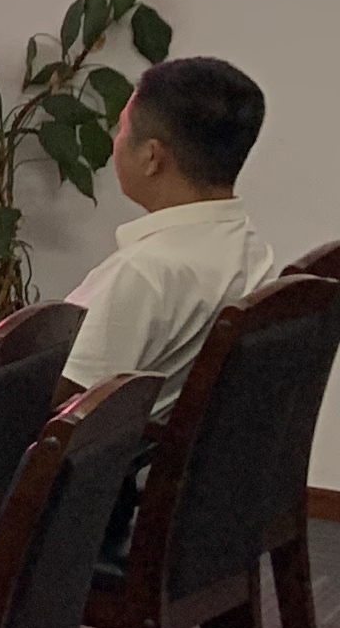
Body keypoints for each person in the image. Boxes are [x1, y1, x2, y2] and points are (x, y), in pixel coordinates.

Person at [44, 55, 280, 392]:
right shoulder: (248, 246)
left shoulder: (146, 272)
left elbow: (41, 393)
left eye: (122, 128)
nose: (116, 141)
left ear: (151, 157)